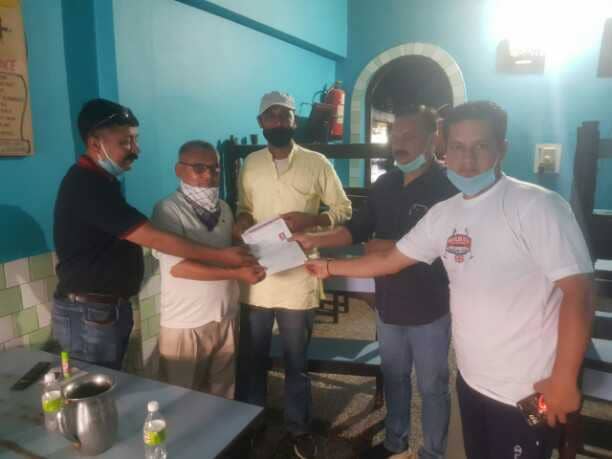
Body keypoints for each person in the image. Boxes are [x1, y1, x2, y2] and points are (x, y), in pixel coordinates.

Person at [305, 101, 594, 459]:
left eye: (480, 146)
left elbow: (579, 294)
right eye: (457, 146)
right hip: (472, 380)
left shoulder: (537, 206)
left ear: (502, 148)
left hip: (526, 388)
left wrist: (564, 379)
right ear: (445, 150)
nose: (467, 159)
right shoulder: (445, 214)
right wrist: (327, 267)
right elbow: (390, 261)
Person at [292, 105, 457, 459]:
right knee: (394, 375)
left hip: (429, 306)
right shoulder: (385, 184)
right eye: (395, 135)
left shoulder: (448, 187)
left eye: (409, 135)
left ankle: (433, 453)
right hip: (389, 302)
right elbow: (356, 230)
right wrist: (312, 239)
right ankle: (395, 442)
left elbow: (440, 249)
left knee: (432, 386)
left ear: (433, 139)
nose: (399, 142)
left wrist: (385, 247)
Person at [53, 99, 255, 371]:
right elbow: (156, 239)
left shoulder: (104, 182)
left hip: (106, 310)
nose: (135, 150)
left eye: (135, 141)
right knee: (92, 383)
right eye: (125, 142)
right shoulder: (87, 185)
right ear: (95, 144)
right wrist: (225, 259)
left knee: (108, 382)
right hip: (92, 313)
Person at [235, 91, 352, 458]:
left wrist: (313, 219)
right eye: (271, 116)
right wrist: (241, 221)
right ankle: (250, 425)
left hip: (300, 276)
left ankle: (298, 429)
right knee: (252, 359)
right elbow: (243, 206)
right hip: (258, 276)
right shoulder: (250, 163)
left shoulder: (317, 163)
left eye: (284, 116)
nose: (278, 122)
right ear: (261, 122)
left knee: (296, 363)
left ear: (293, 121)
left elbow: (344, 208)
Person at [151, 140, 265, 398]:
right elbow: (179, 268)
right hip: (186, 322)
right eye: (199, 168)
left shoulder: (224, 208)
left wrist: (249, 250)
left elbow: (230, 253)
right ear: (179, 170)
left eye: (214, 169)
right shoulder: (167, 210)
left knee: (222, 394)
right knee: (181, 399)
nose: (208, 176)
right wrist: (236, 273)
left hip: (225, 316)